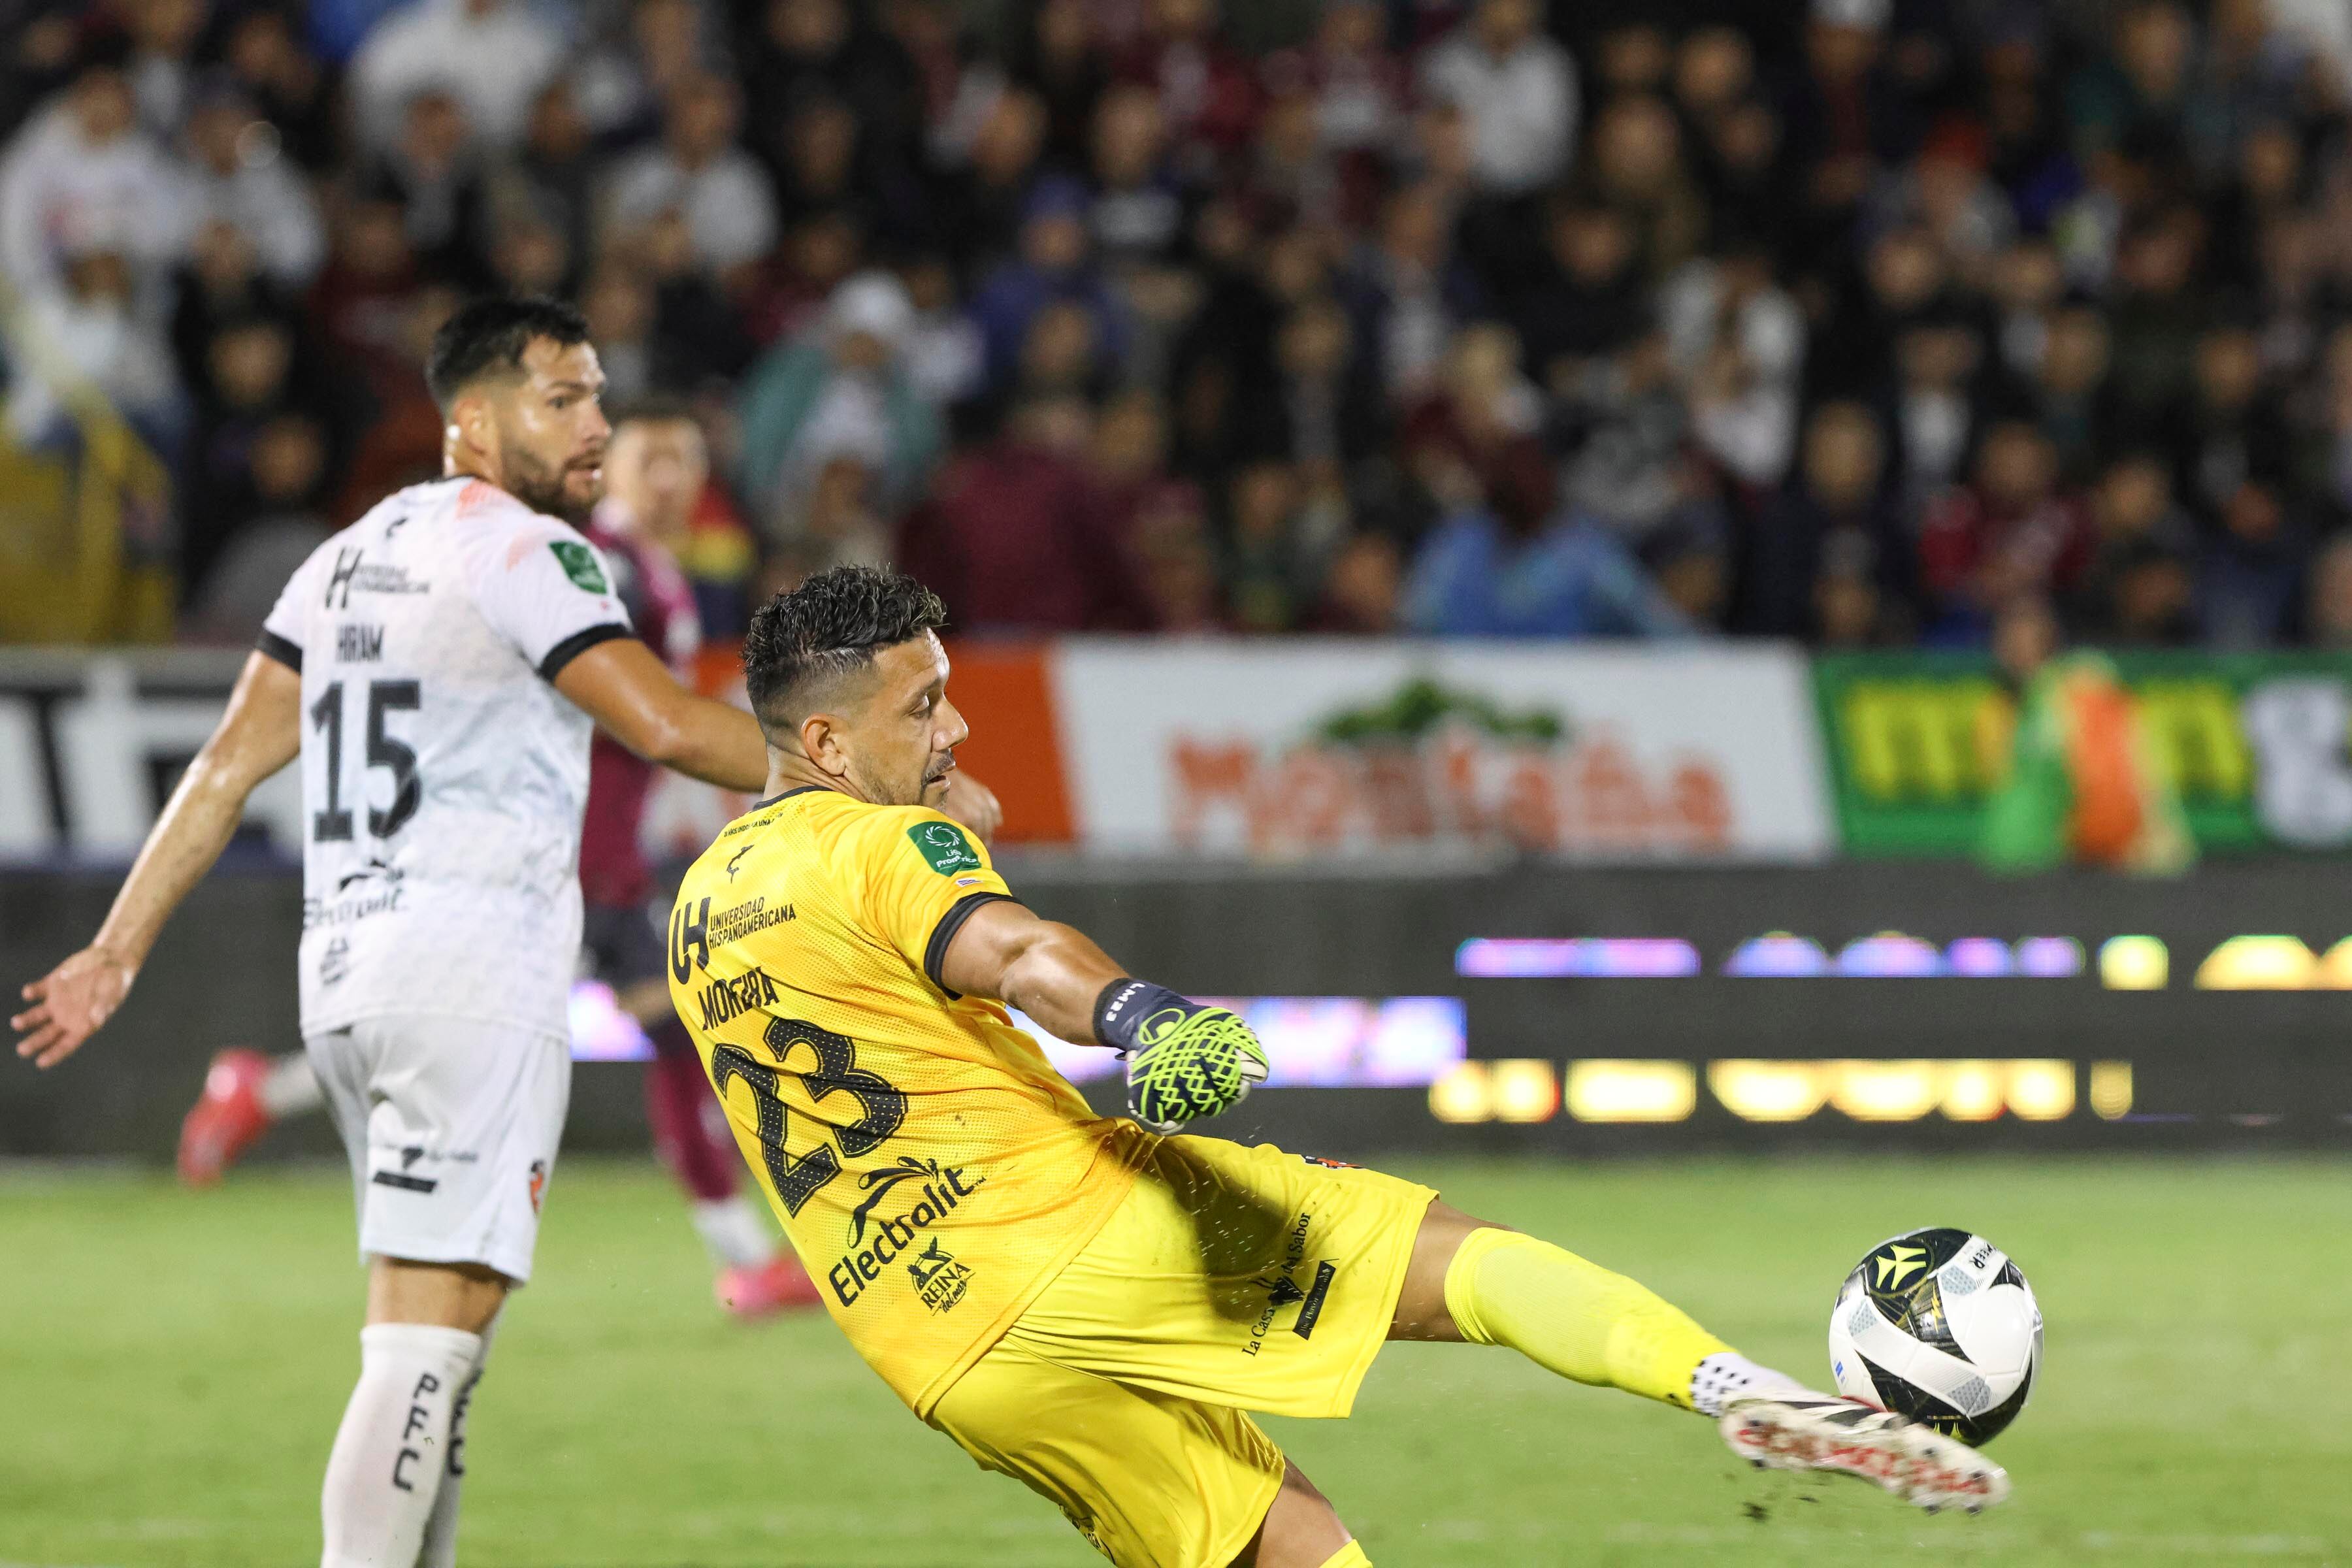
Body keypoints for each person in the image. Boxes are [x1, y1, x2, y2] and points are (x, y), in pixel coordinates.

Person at [664, 565, 2012, 1568]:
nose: (952, 728)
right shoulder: (877, 850)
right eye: (923, 706)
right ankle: (1741, 1392)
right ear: (827, 744)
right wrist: (1144, 1014)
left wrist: (942, 793)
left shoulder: (703, 901)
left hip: (940, 1350)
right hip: (1067, 1234)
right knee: (1460, 1262)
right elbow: (1016, 954)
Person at [10, 296, 794, 1568]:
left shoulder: (346, 558)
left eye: (598, 397)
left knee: (444, 1355)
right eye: (565, 402)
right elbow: (660, 725)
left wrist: (117, 946)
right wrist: (853, 771)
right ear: (473, 421)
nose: (595, 426)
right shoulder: (534, 558)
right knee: (424, 1346)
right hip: (470, 983)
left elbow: (223, 767)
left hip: (352, 978)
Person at [173, 403, 1003, 1316]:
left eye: (686, 460)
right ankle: (262, 1089)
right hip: (559, 856)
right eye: (650, 459)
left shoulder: (654, 573)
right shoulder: (601, 569)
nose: (671, 479)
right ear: (608, 472)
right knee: (465, 1045)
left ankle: (742, 1258)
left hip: (599, 859)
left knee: (665, 1032)